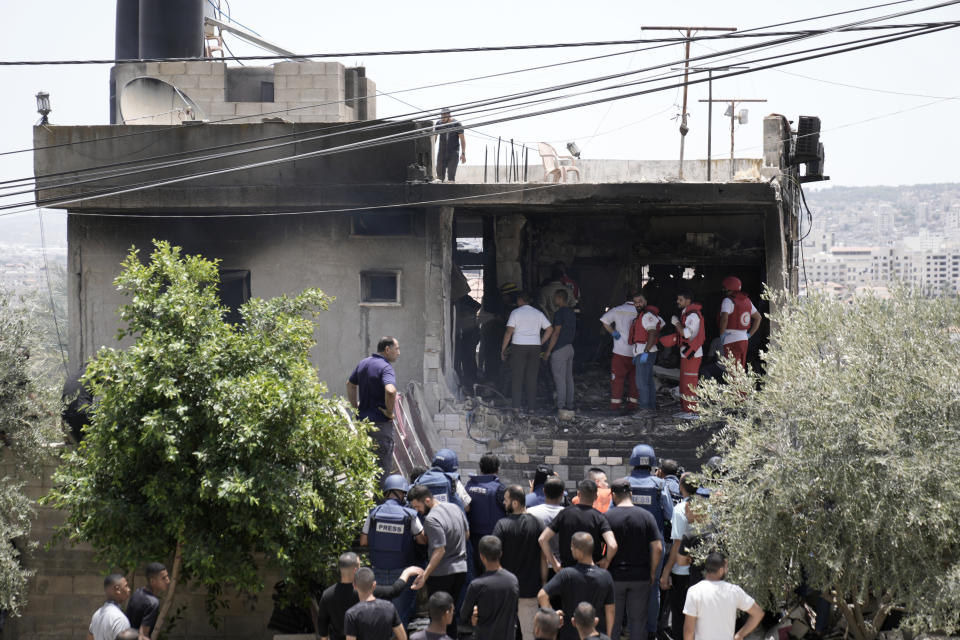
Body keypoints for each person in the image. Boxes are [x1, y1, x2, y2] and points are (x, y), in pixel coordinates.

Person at [360, 475, 427, 624]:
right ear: (402, 493)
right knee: (399, 617)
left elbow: (363, 541)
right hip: (402, 573)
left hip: (378, 572)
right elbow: (422, 540)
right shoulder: (409, 515)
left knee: (378, 616)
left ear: (386, 492)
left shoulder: (374, 513)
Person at [604, 478, 664, 640]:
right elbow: (658, 548)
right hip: (640, 576)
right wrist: (652, 571)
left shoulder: (608, 516)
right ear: (631, 494)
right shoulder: (646, 516)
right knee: (638, 623)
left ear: (613, 496)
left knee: (613, 621)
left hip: (614, 577)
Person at [408, 485, 471, 639]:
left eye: (418, 506)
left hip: (442, 574)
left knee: (437, 617)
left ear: (427, 500)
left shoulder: (431, 519)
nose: (417, 510)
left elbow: (439, 550)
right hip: (461, 570)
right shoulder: (455, 507)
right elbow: (467, 534)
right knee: (450, 613)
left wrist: (425, 576)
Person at [626, 444, 674, 639]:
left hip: (629, 544)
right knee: (653, 587)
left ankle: (630, 627)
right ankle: (652, 630)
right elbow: (670, 514)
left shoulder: (624, 484)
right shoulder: (660, 485)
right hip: (656, 545)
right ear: (652, 464)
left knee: (629, 586)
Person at [317, 552, 423, 640]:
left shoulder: (327, 595)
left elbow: (322, 627)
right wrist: (406, 573)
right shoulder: (365, 591)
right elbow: (393, 591)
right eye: (360, 565)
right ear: (355, 570)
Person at [537, 532, 615, 640]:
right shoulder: (606, 576)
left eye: (572, 547)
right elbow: (610, 611)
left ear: (578, 551)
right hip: (596, 635)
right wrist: (608, 636)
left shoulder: (567, 575)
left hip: (569, 635)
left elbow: (542, 596)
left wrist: (554, 618)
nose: (571, 549)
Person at [494, 484, 548, 640]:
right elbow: (543, 557)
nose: (504, 503)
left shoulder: (502, 525)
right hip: (530, 589)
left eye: (506, 500)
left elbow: (495, 555)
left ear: (515, 503)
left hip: (506, 589)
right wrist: (543, 582)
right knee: (530, 634)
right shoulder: (538, 523)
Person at [538, 480, 618, 572]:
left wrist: (555, 564)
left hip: (568, 572)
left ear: (578, 494)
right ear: (596, 496)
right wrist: (606, 560)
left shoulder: (564, 514)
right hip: (592, 573)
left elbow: (542, 539)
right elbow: (612, 545)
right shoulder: (599, 517)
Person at [347, 337, 401, 472]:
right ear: (387, 349)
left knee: (362, 469)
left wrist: (356, 409)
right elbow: (390, 390)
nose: (398, 353)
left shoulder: (363, 363)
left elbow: (350, 385)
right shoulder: (386, 367)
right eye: (397, 349)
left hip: (362, 425)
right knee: (381, 471)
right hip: (380, 427)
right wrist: (389, 412)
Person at [682, 553, 763, 640]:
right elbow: (758, 613)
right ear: (721, 570)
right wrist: (740, 635)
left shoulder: (694, 591)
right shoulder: (733, 591)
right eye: (726, 567)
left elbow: (689, 630)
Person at [501, 291, 553, 411]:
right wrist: (540, 342)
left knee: (517, 377)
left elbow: (509, 332)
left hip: (518, 346)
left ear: (520, 300)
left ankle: (516, 407)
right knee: (532, 378)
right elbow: (549, 329)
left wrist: (503, 349)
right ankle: (531, 408)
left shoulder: (515, 312)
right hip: (534, 347)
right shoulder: (538, 313)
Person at [460, 536, 520, 640]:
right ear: (500, 553)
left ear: (481, 556)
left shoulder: (476, 585)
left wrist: (473, 617)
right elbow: (515, 610)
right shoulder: (513, 580)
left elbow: (463, 615)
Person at [662, 474, 699, 640]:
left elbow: (677, 544)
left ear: (681, 487)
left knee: (680, 618)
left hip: (681, 573)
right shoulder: (708, 507)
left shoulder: (680, 509)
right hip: (700, 571)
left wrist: (665, 573)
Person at [465, 453, 507, 566]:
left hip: (472, 538)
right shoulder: (499, 488)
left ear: (480, 468)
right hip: (493, 540)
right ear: (498, 469)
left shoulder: (468, 485)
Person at [600, 294, 640, 412]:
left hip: (620, 351)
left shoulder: (618, 310)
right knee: (634, 380)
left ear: (625, 298)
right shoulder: (642, 312)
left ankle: (615, 406)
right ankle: (632, 406)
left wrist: (613, 332)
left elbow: (604, 320)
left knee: (617, 380)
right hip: (636, 351)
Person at [343, 567, 407, 640]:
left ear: (354, 586)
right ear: (374, 585)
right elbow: (403, 637)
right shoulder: (389, 607)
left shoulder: (351, 614)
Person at [669, 291, 704, 418]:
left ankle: (692, 411)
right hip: (686, 353)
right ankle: (685, 409)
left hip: (693, 354)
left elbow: (686, 334)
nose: (678, 301)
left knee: (690, 382)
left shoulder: (693, 316)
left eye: (680, 299)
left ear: (688, 301)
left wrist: (676, 323)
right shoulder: (686, 313)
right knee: (684, 382)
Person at [628, 292, 664, 411]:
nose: (637, 304)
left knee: (641, 382)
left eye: (640, 301)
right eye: (635, 302)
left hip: (645, 352)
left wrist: (646, 351)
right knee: (648, 381)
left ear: (645, 302)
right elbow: (661, 324)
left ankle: (645, 409)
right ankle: (651, 407)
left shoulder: (646, 316)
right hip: (643, 351)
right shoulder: (644, 315)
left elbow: (652, 332)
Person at [717, 277, 761, 371]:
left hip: (730, 339)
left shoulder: (727, 300)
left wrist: (721, 334)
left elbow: (724, 318)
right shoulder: (747, 300)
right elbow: (758, 318)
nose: (723, 289)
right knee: (740, 370)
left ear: (729, 287)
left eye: (724, 287)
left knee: (732, 371)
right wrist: (749, 334)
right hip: (744, 339)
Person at [543, 289, 576, 413]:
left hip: (560, 349)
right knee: (568, 378)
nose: (553, 300)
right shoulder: (571, 313)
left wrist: (548, 351)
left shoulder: (559, 313)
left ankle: (561, 406)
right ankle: (570, 404)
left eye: (555, 298)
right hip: (569, 348)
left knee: (559, 379)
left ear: (560, 298)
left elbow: (556, 333)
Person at [528, 476, 566, 568]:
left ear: (544, 491)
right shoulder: (568, 514)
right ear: (562, 494)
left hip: (537, 565)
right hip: (561, 566)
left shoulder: (530, 512)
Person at [126, 562, 170, 640]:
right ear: (152, 581)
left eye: (167, 576)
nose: (168, 581)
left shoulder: (137, 592)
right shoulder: (153, 603)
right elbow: (142, 636)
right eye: (163, 578)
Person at [87, 574, 131, 640]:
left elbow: (90, 638)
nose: (129, 589)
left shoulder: (97, 614)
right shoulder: (120, 619)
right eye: (126, 586)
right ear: (117, 589)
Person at [435, 108, 466, 183]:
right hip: (442, 153)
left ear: (449, 115)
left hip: (453, 153)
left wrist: (463, 153)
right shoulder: (439, 123)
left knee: (451, 179)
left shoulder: (457, 124)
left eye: (444, 116)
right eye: (441, 116)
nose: (442, 118)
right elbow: (434, 137)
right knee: (439, 179)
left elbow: (462, 139)